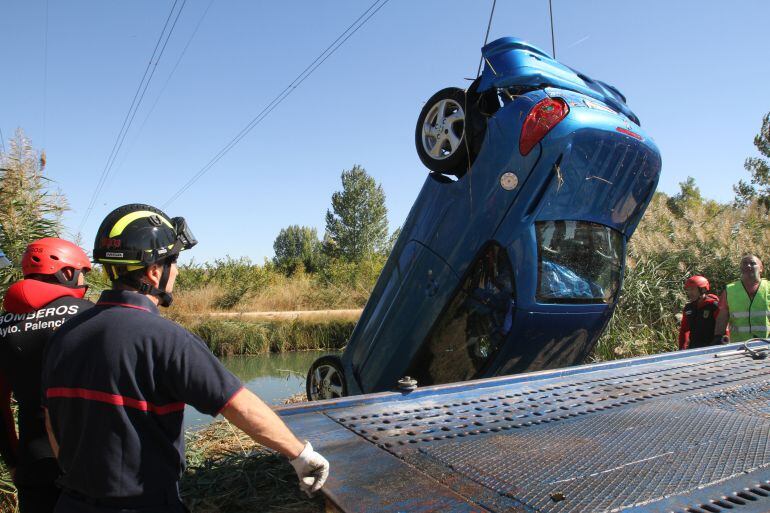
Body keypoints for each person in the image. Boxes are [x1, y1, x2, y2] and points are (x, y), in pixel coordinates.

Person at [41, 204, 328, 513]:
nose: (176, 271)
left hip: (70, 503)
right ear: (153, 271)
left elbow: (50, 422)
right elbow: (239, 405)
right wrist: (301, 455)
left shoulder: (64, 335)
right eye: (173, 261)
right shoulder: (166, 339)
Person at [0, 238, 93, 513]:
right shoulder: (88, 315)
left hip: (33, 460)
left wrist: (14, 462)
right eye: (81, 273)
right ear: (66, 272)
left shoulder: (3, 325)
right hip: (88, 460)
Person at [714, 254, 770, 343]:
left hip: (766, 345)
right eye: (745, 263)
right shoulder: (730, 290)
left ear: (761, 268)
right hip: (739, 346)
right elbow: (722, 317)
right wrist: (718, 337)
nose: (748, 265)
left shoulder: (768, 287)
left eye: (752, 263)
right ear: (741, 268)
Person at [678, 275, 720, 350]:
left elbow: (723, 329)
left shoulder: (714, 306)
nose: (690, 293)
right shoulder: (688, 308)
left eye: (693, 289)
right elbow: (684, 330)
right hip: (693, 350)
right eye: (688, 290)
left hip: (712, 349)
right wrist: (682, 349)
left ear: (703, 290)